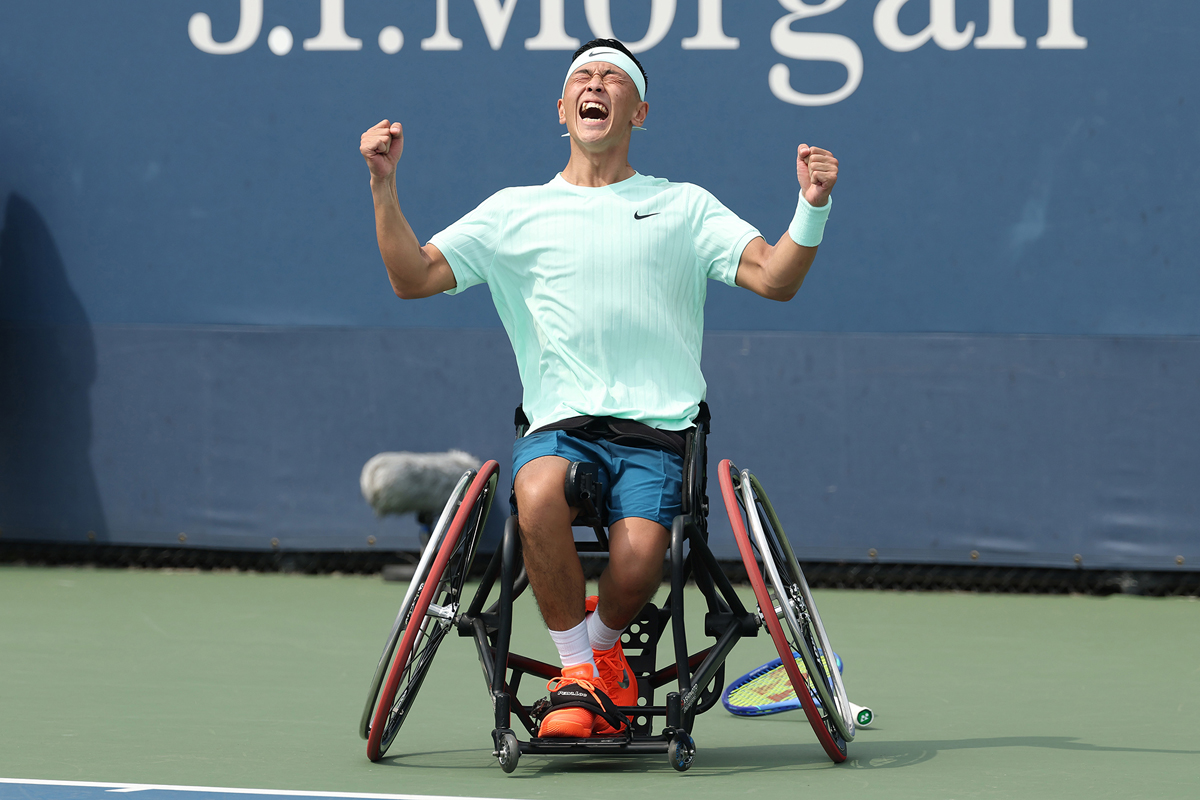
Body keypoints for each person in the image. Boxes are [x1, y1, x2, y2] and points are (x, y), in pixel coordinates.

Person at [360, 38, 839, 739]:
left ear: (637, 111)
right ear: (563, 108)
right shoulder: (512, 212)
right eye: (581, 76)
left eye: (614, 78)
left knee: (644, 556)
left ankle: (603, 654)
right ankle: (577, 671)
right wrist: (383, 183)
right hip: (560, 428)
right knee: (537, 490)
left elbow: (775, 277)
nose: (596, 84)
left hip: (659, 434)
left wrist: (811, 206)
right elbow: (413, 276)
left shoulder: (684, 206)